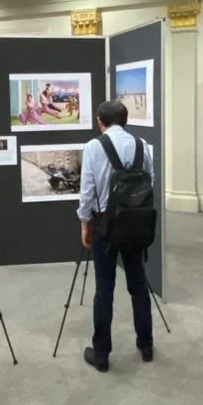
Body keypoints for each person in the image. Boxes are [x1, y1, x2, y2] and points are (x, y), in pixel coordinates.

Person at [77, 99, 155, 372]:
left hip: (104, 225)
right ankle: (146, 345)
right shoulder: (142, 146)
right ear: (125, 121)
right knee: (138, 284)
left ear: (100, 121)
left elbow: (87, 190)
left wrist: (85, 222)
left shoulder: (93, 147)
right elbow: (150, 181)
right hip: (136, 223)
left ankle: (101, 354)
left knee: (104, 288)